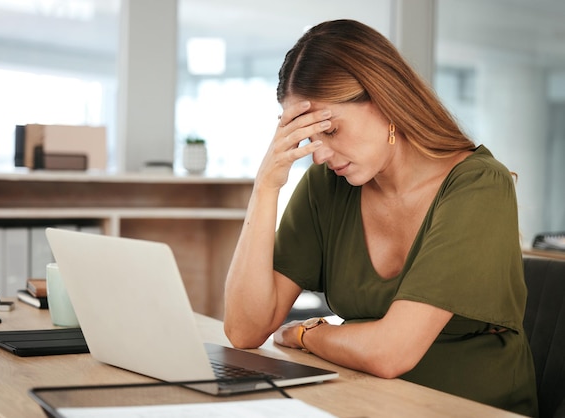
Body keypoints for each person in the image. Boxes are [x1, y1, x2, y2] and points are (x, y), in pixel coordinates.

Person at [223, 19, 538, 416]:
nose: (319, 154)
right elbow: (244, 330)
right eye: (308, 138)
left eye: (331, 130)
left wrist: (308, 334)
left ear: (385, 101)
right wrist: (266, 187)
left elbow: (391, 353)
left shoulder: (478, 185)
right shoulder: (328, 184)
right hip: (365, 401)